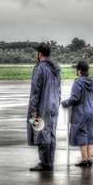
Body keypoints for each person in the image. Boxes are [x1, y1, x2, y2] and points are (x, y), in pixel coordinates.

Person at [28, 42, 61, 171]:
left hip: (43, 105)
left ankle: (44, 162)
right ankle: (50, 160)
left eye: (36, 52)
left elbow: (36, 90)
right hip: (54, 104)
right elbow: (58, 88)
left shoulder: (39, 68)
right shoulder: (56, 68)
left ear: (40, 54)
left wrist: (33, 109)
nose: (35, 54)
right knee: (52, 133)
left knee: (41, 133)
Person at [62, 60, 93, 167]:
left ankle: (83, 159)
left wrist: (64, 103)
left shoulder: (78, 82)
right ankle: (89, 158)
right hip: (91, 111)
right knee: (90, 134)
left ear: (79, 71)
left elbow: (75, 98)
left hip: (81, 112)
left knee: (82, 133)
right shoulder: (92, 82)